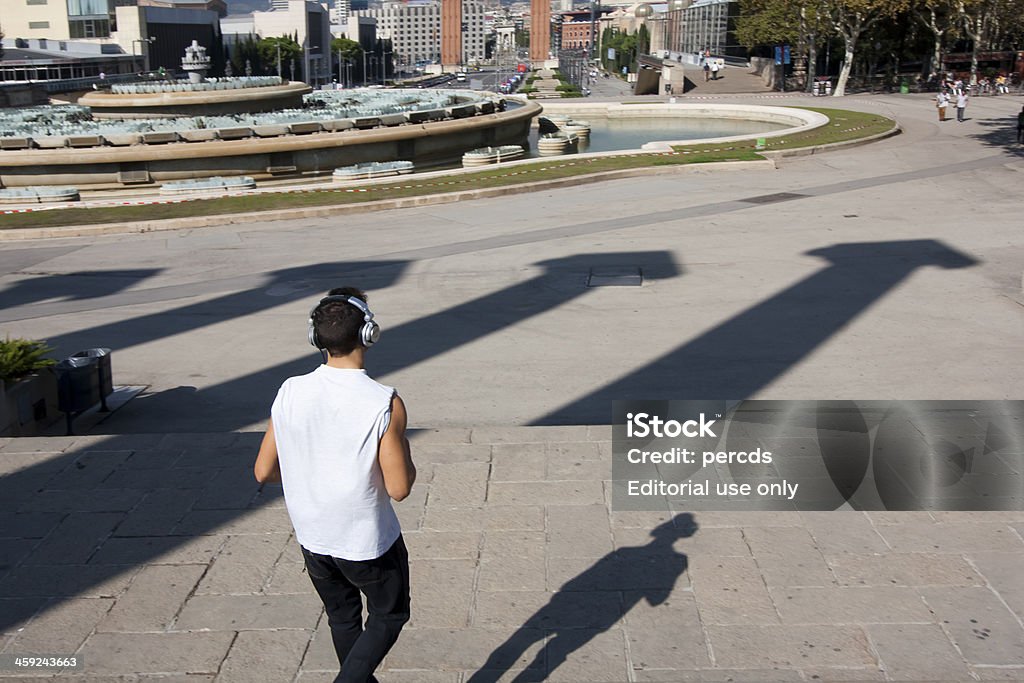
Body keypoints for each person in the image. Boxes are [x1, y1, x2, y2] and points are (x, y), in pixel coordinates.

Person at [255, 287, 416, 683]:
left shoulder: (289, 390)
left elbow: (263, 471)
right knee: (389, 614)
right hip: (367, 542)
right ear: (368, 333)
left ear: (316, 338)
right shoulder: (384, 401)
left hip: (313, 535)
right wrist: (404, 450)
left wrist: (308, 474)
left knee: (343, 617)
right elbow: (399, 488)